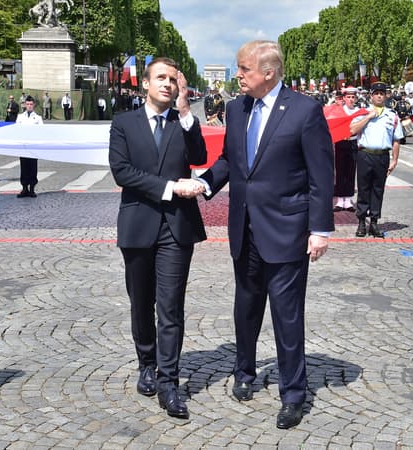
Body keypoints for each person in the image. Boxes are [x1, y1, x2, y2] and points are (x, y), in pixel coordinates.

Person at [197, 40, 334, 429]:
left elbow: (320, 175)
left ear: (269, 72)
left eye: (243, 69)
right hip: (244, 228)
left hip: (288, 230)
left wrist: (320, 229)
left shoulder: (305, 111)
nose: (237, 75)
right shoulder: (236, 109)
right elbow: (229, 159)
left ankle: (293, 393)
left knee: (287, 316)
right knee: (246, 308)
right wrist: (204, 185)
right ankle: (244, 371)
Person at [108, 57, 207, 420]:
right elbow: (122, 172)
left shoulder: (183, 122)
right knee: (141, 303)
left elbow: (199, 157)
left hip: (177, 228)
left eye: (172, 79)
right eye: (160, 78)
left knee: (170, 307)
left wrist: (185, 113)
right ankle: (146, 362)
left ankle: (169, 382)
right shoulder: (124, 123)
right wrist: (169, 187)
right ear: (145, 84)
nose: (167, 84)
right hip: (137, 225)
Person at [350, 82, 403, 238]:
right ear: (371, 96)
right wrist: (368, 117)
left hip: (382, 155)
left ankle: (374, 222)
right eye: (376, 93)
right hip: (365, 154)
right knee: (363, 188)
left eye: (382, 93)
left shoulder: (392, 115)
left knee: (378, 189)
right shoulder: (362, 112)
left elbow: (396, 139)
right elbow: (352, 130)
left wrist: (395, 160)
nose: (379, 96)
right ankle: (361, 222)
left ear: (385, 95)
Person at [333, 86, 359, 212]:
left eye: (353, 97)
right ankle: (339, 199)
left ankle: (348, 200)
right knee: (340, 170)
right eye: (348, 97)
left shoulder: (358, 112)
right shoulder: (339, 111)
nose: (350, 99)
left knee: (350, 171)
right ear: (344, 98)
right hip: (341, 142)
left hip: (353, 143)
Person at [15, 95, 42, 198]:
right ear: (25, 105)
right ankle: (24, 188)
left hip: (33, 147)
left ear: (33, 105)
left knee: (33, 168)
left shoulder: (38, 118)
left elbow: (42, 132)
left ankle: (32, 189)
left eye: (31, 104)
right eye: (27, 104)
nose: (29, 106)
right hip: (23, 146)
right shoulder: (20, 117)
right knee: (24, 167)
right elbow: (17, 130)